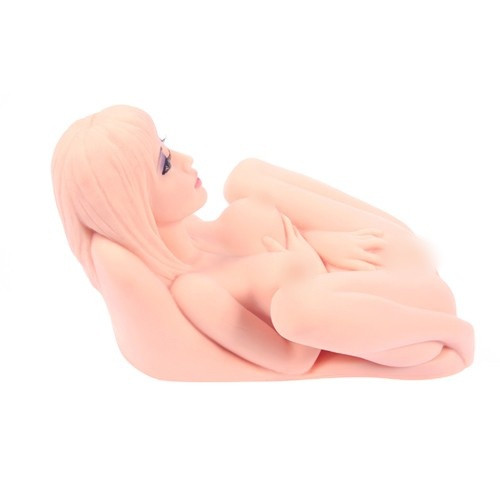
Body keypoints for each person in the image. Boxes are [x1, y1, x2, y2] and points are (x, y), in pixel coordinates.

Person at [51, 104, 475, 381]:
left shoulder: (203, 232)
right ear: (133, 206)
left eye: (166, 146)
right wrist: (306, 261)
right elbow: (293, 362)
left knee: (246, 176)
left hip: (394, 262)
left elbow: (289, 242)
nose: (185, 160)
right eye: (163, 166)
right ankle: (457, 334)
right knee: (295, 308)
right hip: (405, 327)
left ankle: (426, 290)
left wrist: (319, 243)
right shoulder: (195, 290)